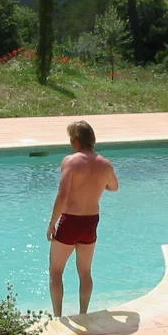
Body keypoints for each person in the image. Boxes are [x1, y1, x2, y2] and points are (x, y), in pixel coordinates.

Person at [47, 120, 119, 317]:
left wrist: (52, 223)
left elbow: (62, 195)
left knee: (55, 271)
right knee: (85, 272)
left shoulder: (71, 162)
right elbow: (114, 187)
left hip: (71, 221)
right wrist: (96, 184)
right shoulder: (105, 164)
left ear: (76, 140)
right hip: (91, 222)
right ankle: (83, 313)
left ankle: (58, 316)